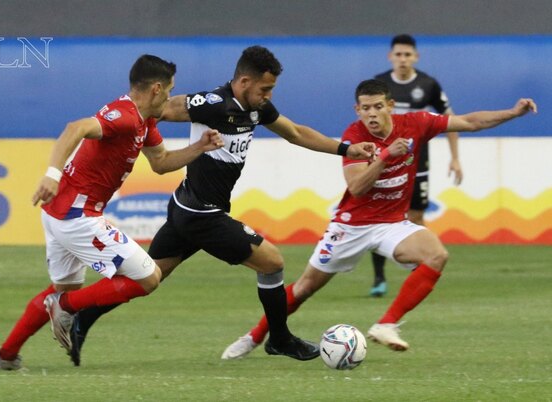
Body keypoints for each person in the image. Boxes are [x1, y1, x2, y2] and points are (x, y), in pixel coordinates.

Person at [67, 45, 376, 366]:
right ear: (243, 81)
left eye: (271, 89)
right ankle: (280, 339)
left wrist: (347, 149)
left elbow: (296, 133)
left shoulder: (256, 109)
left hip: (187, 208)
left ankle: (82, 318)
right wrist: (132, 124)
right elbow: (161, 108)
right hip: (201, 213)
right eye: (265, 89)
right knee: (271, 262)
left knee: (149, 278)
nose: (268, 95)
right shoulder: (213, 104)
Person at [220, 79, 536, 358]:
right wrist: (386, 156)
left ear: (390, 106)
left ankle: (386, 325)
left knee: (436, 255)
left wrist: (513, 112)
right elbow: (356, 186)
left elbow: (469, 122)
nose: (371, 114)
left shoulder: (416, 123)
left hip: (391, 225)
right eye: (365, 108)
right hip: (350, 226)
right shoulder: (353, 136)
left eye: (377, 107)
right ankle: (253, 338)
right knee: (303, 288)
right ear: (357, 109)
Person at [0, 54, 224, 370]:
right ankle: (65, 307)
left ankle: (5, 356)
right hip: (77, 216)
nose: (170, 97)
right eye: (168, 90)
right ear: (155, 88)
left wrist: (198, 148)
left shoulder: (144, 120)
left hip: (59, 215)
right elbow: (76, 127)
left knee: (63, 287)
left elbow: (161, 162)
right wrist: (52, 174)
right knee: (149, 278)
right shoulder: (123, 116)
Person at [369, 34, 463, 297]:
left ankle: (419, 278)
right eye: (398, 54)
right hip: (384, 163)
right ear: (391, 56)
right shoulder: (380, 84)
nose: (402, 59)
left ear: (416, 57)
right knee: (378, 219)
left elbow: (450, 120)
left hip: (417, 164)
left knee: (417, 216)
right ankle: (379, 279)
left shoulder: (428, 84)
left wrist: (455, 157)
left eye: (407, 55)